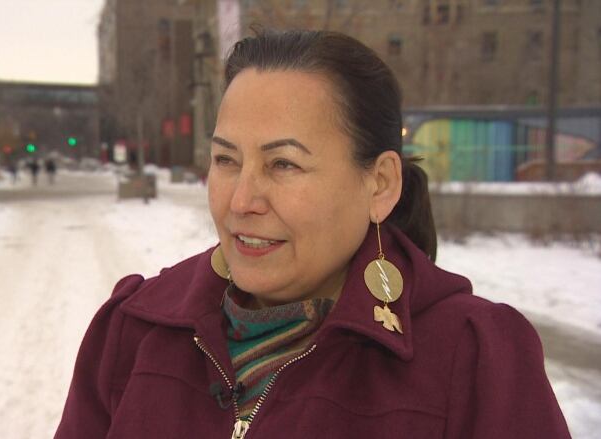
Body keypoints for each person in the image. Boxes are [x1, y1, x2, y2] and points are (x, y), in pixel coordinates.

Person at [54, 30, 570, 439]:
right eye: (226, 160)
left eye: (283, 163)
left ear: (380, 184)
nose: (241, 201)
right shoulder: (134, 331)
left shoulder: (474, 362)